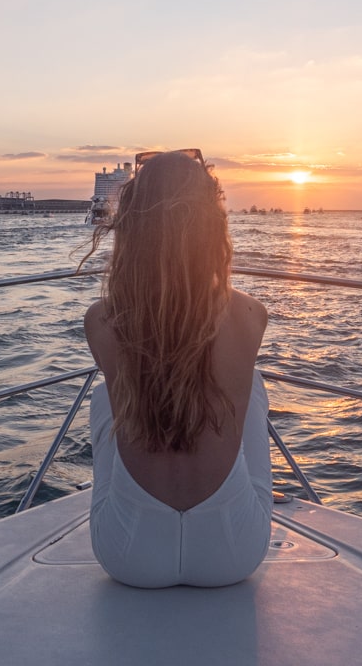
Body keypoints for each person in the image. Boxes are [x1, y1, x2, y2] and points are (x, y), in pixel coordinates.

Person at [80, 149, 272, 588]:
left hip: (129, 557)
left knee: (106, 393)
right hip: (234, 553)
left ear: (132, 227)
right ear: (213, 224)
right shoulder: (250, 315)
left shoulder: (100, 320)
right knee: (253, 383)